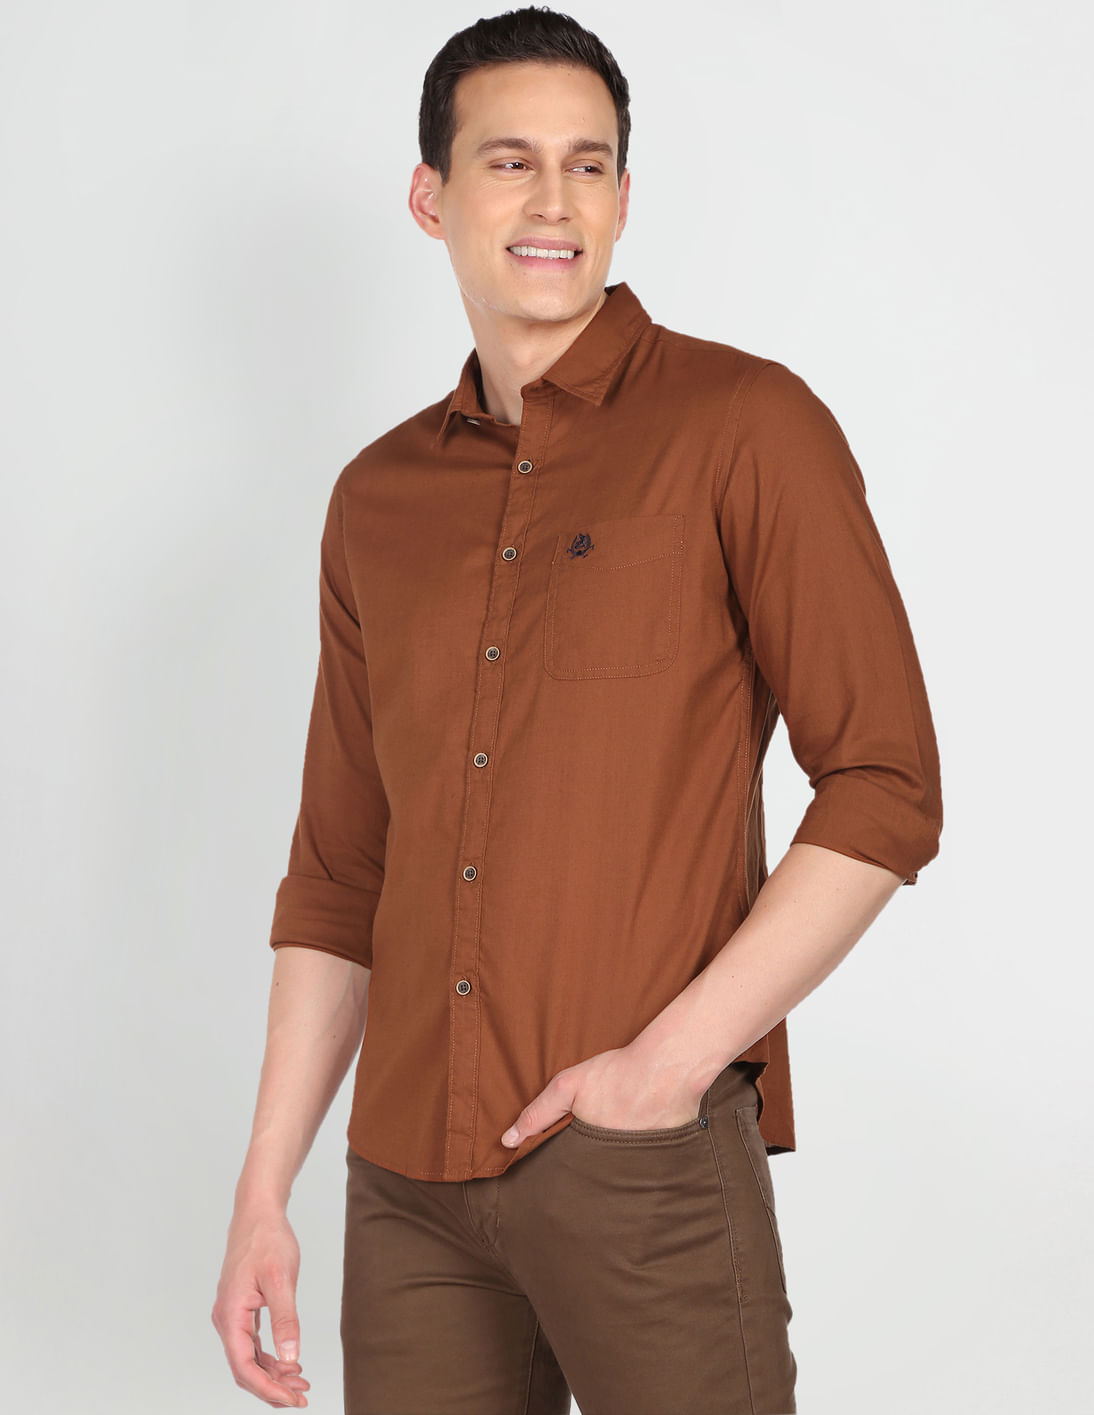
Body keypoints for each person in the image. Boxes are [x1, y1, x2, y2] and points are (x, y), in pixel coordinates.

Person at [212, 7, 943, 1413]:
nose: (553, 201)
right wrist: (263, 1191)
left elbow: (886, 784)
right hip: (406, 1189)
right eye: (510, 161)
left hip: (638, 1163)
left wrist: (668, 1068)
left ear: (619, 198)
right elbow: (342, 872)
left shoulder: (746, 427)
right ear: (430, 197)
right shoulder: (376, 499)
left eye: (588, 164)